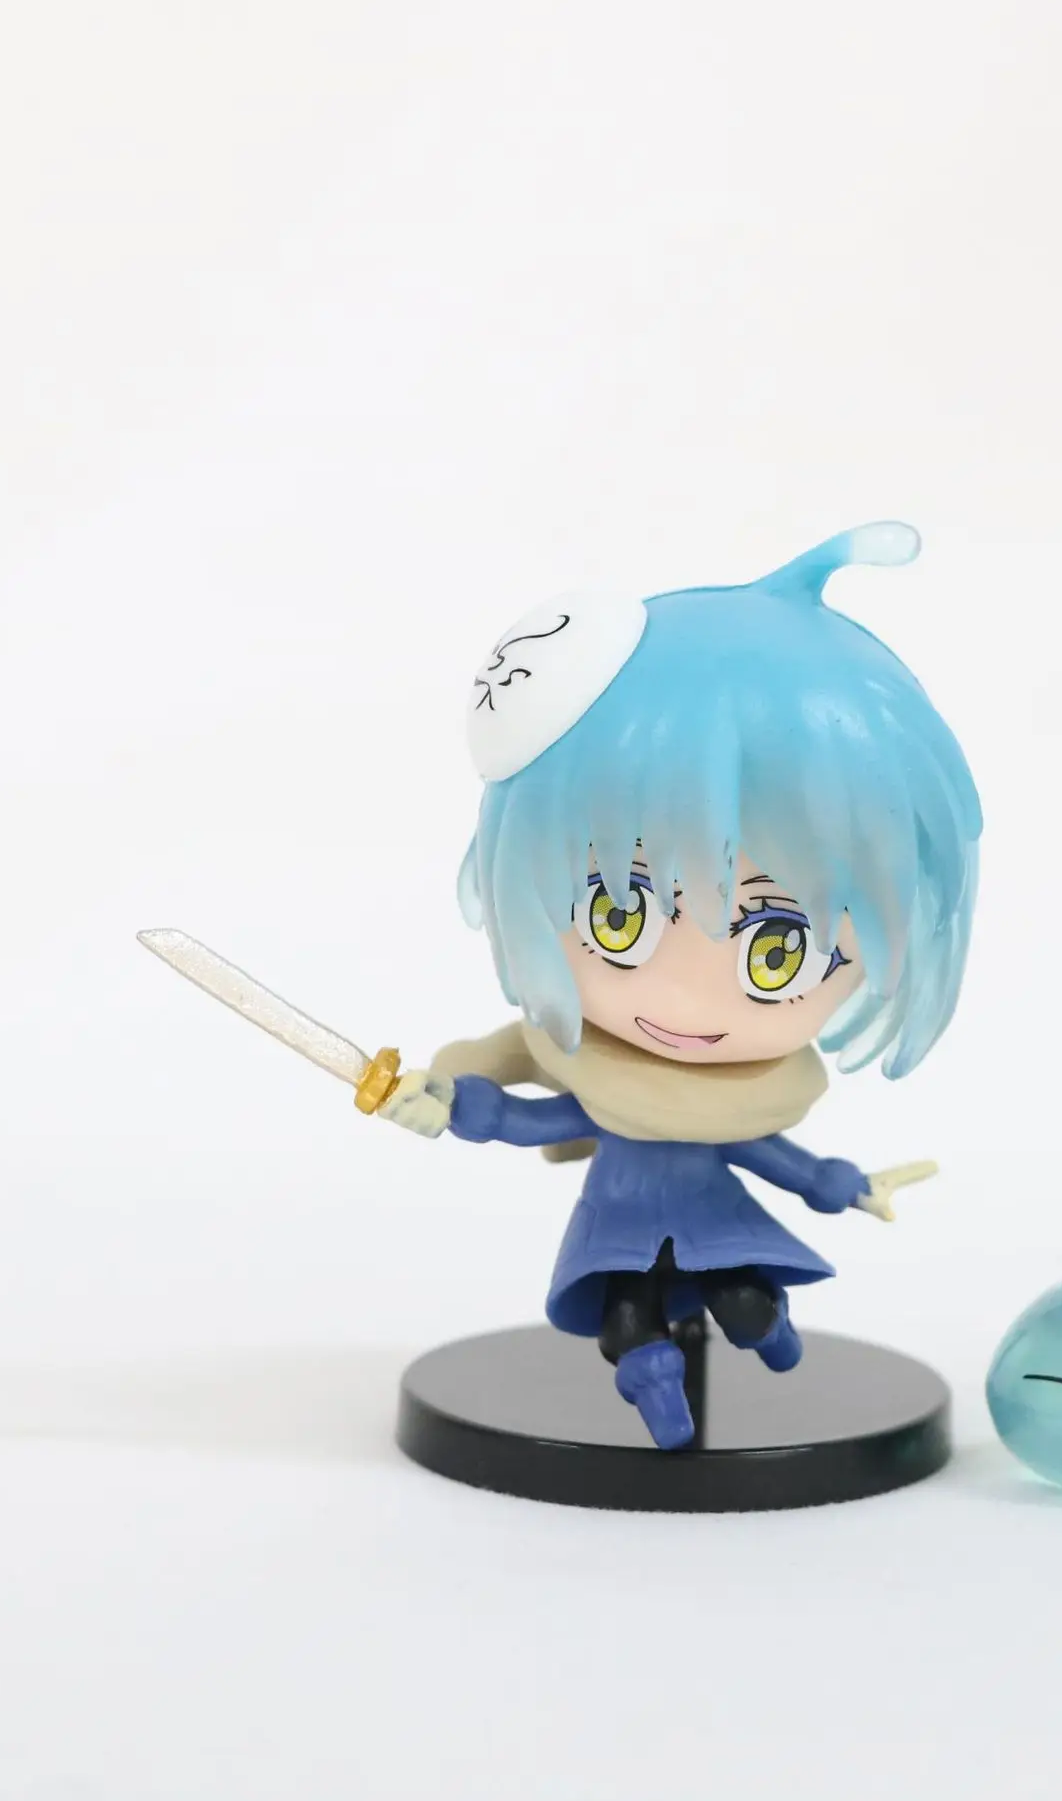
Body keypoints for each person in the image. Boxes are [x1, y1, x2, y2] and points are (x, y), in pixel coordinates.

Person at [379, 523, 982, 1449]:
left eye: (776, 954)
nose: (687, 1004)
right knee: (627, 1321)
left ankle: (770, 1336)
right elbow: (534, 1118)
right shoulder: (594, 1077)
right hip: (615, 1227)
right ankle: (659, 1387)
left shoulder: (741, 1101)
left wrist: (846, 1185)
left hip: (714, 1216)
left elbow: (774, 1158)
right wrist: (455, 1103)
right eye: (617, 916)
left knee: (743, 1294)